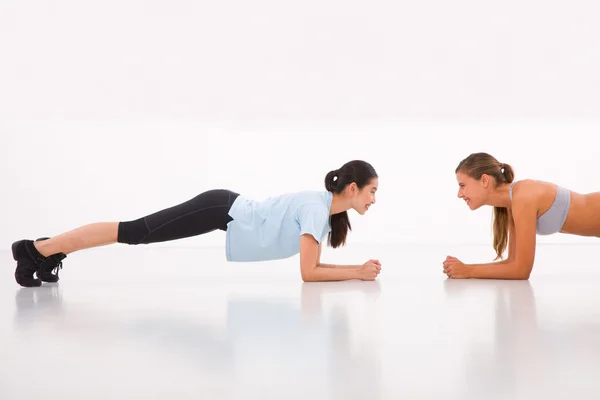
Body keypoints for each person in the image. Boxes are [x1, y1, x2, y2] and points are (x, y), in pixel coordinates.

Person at [12, 160, 382, 287]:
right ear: (352, 188)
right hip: (220, 208)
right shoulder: (318, 210)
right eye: (372, 191)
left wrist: (357, 270)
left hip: (224, 209)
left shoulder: (321, 209)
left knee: (135, 232)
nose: (373, 200)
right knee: (135, 232)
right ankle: (35, 250)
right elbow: (308, 273)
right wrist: (357, 272)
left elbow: (312, 266)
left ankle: (47, 249)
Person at [443, 152, 600, 280]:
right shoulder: (513, 205)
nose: (459, 194)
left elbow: (521, 271)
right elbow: (513, 263)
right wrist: (466, 268)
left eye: (462, 185)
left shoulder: (523, 197)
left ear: (484, 180)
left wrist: (468, 271)